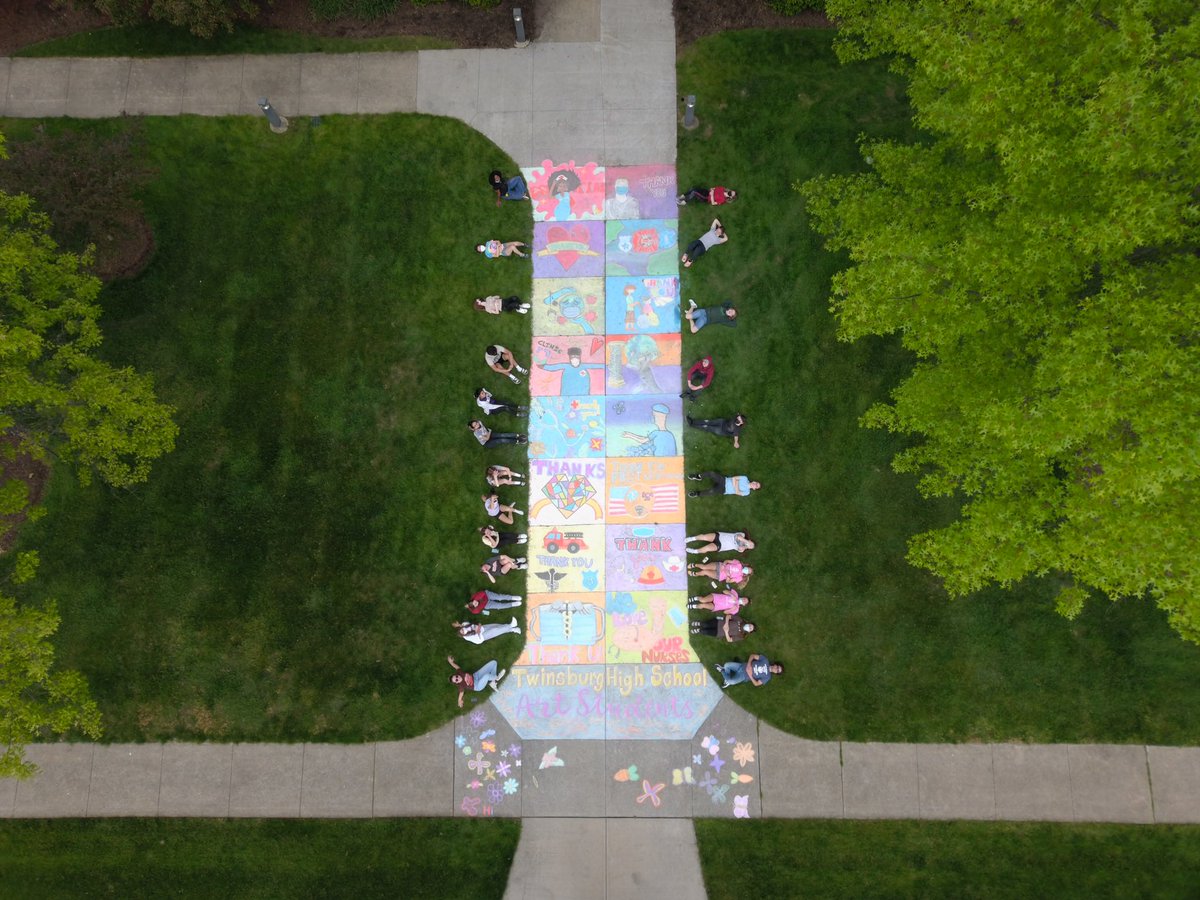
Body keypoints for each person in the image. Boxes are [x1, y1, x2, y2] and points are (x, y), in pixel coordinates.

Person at [537, 346, 605, 396]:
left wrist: (607, 366)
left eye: (577, 358)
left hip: (583, 395)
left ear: (579, 358)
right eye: (572, 358)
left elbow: (597, 365)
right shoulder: (566, 366)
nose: (575, 360)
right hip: (567, 395)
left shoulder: (584, 366)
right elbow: (554, 367)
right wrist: (544, 366)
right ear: (570, 359)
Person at [715, 654, 782, 689]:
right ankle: (727, 677)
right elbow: (752, 656)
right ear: (776, 665)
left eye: (778, 671)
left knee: (731, 681)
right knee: (726, 665)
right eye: (778, 667)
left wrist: (750, 675)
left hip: (744, 676)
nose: (777, 669)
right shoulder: (765, 660)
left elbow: (756, 684)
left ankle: (722, 671)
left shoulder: (767, 677)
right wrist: (749, 664)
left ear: (776, 673)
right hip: (742, 666)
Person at [686, 472, 761, 498]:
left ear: (754, 489)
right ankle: (698, 477)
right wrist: (736, 488)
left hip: (724, 490)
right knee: (712, 473)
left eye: (756, 486)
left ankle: (697, 494)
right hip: (724, 480)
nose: (755, 485)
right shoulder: (745, 478)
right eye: (756, 483)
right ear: (754, 481)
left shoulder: (747, 492)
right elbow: (734, 478)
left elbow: (738, 493)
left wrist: (736, 485)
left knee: (711, 491)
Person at [453, 617, 522, 644]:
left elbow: (467, 624)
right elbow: (477, 632)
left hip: (482, 628)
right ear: (463, 635)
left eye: (461, 629)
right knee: (496, 630)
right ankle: (511, 625)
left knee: (496, 626)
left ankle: (513, 629)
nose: (463, 630)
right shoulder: (467, 637)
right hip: (482, 636)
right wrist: (479, 626)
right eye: (462, 632)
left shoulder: (464, 625)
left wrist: (459, 625)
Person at [691, 614, 755, 642]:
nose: (748, 627)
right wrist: (726, 623)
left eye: (750, 628)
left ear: (749, 632)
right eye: (750, 625)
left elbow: (730, 640)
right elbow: (728, 616)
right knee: (705, 624)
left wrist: (726, 632)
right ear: (748, 623)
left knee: (704, 631)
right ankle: (699, 623)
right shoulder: (740, 620)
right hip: (719, 623)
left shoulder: (741, 636)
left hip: (719, 633)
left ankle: (699, 630)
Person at [686, 531, 755, 555]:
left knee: (706, 548)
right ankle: (691, 539)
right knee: (704, 537)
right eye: (751, 544)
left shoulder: (743, 549)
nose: (750, 545)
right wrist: (746, 541)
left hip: (721, 546)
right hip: (720, 536)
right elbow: (738, 537)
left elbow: (740, 549)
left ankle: (694, 551)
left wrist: (746, 546)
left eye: (750, 547)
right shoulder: (743, 535)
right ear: (750, 540)